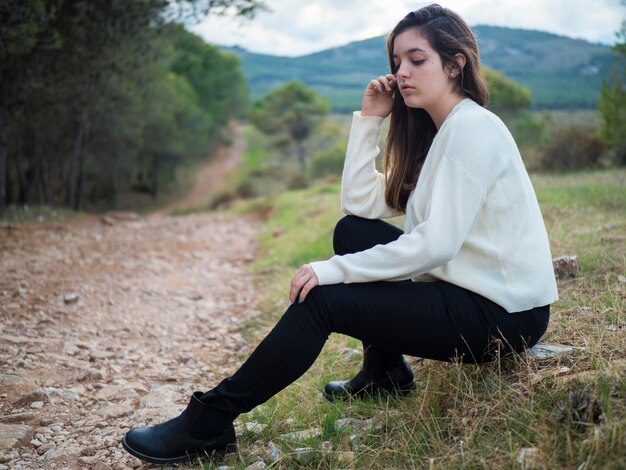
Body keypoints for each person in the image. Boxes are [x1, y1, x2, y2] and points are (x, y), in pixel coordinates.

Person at [121, 3, 558, 464]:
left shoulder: (472, 131)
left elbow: (436, 246)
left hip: (505, 316)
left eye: (417, 59)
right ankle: (384, 373)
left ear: (455, 64)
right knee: (352, 231)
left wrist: (334, 272)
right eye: (396, 63)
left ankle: (210, 420)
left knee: (323, 301)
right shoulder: (441, 132)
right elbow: (359, 204)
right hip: (472, 291)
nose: (402, 72)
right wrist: (370, 119)